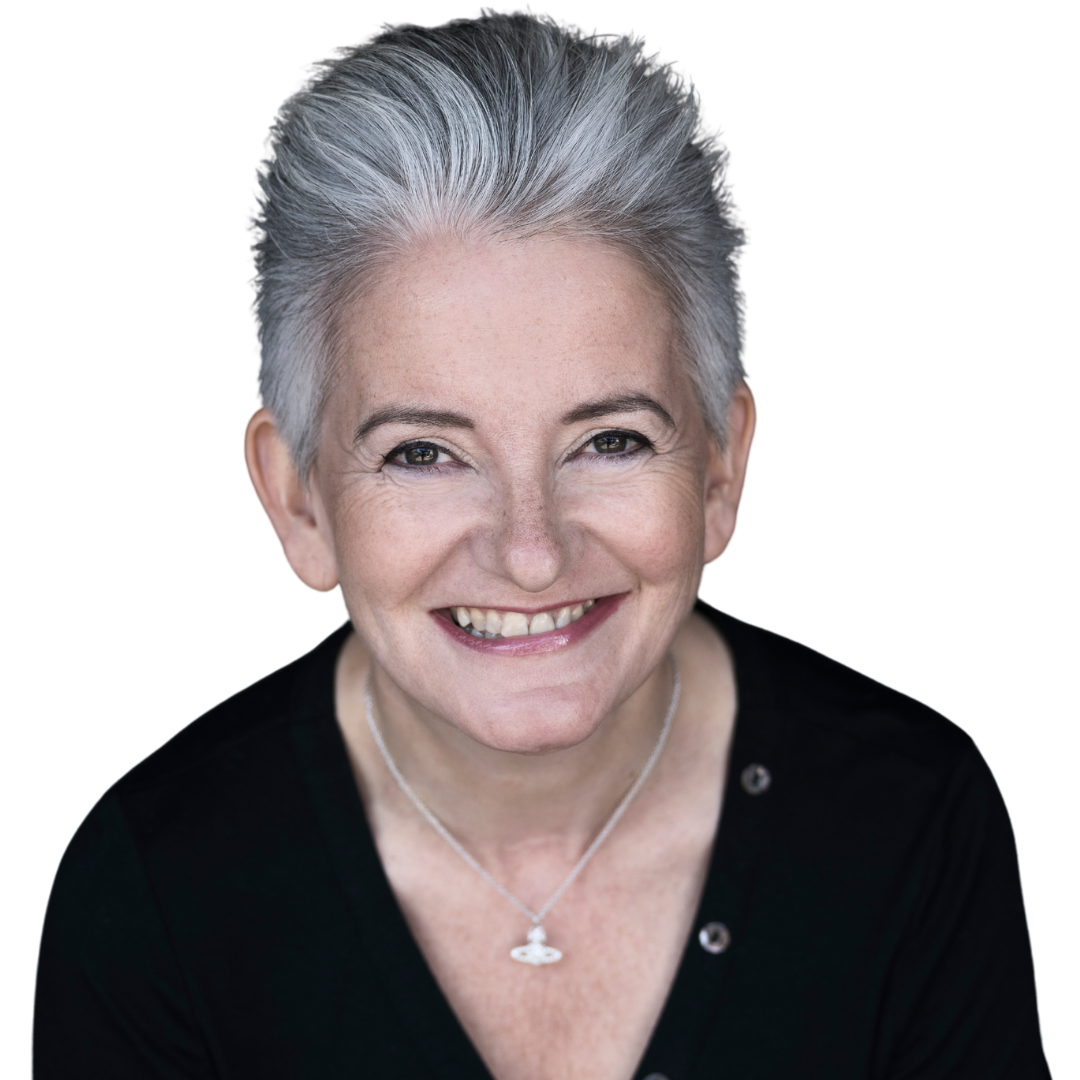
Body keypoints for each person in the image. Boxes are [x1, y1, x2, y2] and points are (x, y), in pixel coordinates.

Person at [31, 9, 1049, 1078]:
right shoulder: (153, 889)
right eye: (424, 453)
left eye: (611, 440)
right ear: (298, 502)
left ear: (722, 469)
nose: (531, 553)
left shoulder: (912, 822)